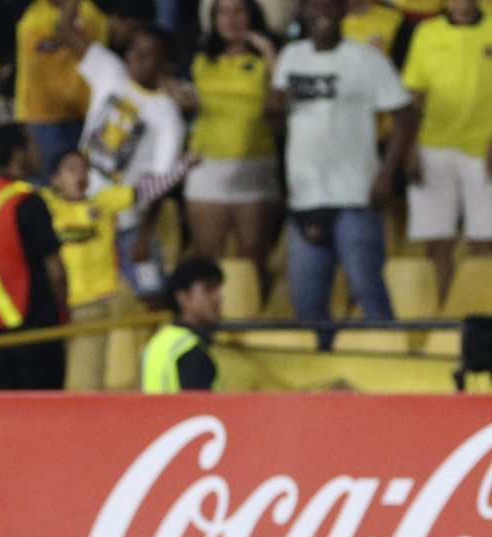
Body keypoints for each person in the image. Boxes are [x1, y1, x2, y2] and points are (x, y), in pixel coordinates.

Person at [268, 0, 412, 348]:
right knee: (306, 298)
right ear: (302, 12)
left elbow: (405, 116)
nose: (321, 14)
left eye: (329, 6)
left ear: (342, 11)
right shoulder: (291, 57)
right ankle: (326, 371)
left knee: (366, 288)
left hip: (355, 194)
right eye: (314, 7)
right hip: (306, 194)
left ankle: (392, 367)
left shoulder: (367, 59)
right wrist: (272, 107)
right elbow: (275, 117)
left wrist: (386, 173)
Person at [43, 148, 198, 390]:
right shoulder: (45, 206)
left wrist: (182, 167)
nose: (80, 175)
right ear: (56, 179)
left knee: (87, 383)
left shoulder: (103, 203)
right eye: (72, 168)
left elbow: (146, 191)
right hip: (59, 305)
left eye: (84, 169)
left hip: (97, 304)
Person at [58, 13, 186, 304]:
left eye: (148, 54)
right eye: (133, 49)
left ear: (165, 65)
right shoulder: (111, 72)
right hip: (83, 219)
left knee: (152, 296)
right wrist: (71, 8)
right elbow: (65, 28)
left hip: (127, 224)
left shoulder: (167, 116)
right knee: (78, 298)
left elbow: (160, 182)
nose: (137, 58)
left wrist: (144, 234)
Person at [178, 0, 281, 295]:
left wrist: (269, 53)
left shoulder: (266, 58)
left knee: (253, 257)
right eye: (222, 12)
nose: (231, 19)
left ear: (252, 17)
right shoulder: (198, 60)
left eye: (238, 11)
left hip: (255, 166)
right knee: (208, 255)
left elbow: (282, 100)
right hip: (207, 167)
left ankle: (254, 321)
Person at [0, 123, 67, 390]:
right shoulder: (29, 201)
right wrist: (63, 312)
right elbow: (55, 269)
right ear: (19, 153)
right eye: (34, 146)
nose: (40, 153)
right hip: (33, 325)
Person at [401, 0, 492, 301]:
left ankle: (481, 314)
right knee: (437, 241)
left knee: (485, 240)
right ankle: (444, 316)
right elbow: (414, 92)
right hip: (432, 148)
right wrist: (410, 147)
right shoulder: (426, 32)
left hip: (483, 150)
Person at [15, 0, 109, 180]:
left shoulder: (92, 14)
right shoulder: (33, 18)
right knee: (44, 186)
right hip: (43, 119)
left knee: (87, 184)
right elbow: (62, 29)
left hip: (85, 117)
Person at [140, 255, 224, 392]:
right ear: (183, 296)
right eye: (208, 289)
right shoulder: (191, 352)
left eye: (218, 289)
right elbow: (198, 411)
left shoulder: (157, 342)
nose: (218, 297)